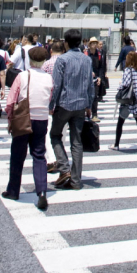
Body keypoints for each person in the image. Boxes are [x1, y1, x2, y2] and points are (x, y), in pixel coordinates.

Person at [2, 47, 54, 210]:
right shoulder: (49, 78)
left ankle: (13, 190)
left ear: (30, 60)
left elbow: (11, 101)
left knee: (17, 154)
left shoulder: (22, 76)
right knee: (39, 154)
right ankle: (42, 192)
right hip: (42, 119)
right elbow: (50, 98)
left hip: (24, 118)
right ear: (44, 61)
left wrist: (10, 119)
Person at [48, 29, 95, 190]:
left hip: (64, 104)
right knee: (77, 142)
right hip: (81, 105)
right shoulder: (86, 60)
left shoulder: (62, 60)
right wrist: (89, 105)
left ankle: (64, 168)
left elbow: (56, 85)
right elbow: (90, 83)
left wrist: (51, 105)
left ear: (66, 43)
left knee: (55, 135)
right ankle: (75, 180)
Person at [110, 51, 137, 154]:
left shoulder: (128, 70)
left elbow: (126, 84)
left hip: (128, 101)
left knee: (120, 122)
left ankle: (116, 144)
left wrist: (120, 85)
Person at [85, 37, 105, 122]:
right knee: (86, 96)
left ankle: (94, 114)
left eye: (95, 43)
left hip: (96, 78)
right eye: (92, 43)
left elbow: (101, 67)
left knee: (95, 97)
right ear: (89, 44)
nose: (94, 44)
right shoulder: (86, 54)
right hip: (86, 79)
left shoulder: (99, 54)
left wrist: (100, 77)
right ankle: (86, 112)